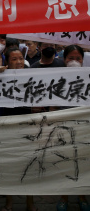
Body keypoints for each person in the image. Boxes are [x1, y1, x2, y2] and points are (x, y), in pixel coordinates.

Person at [0, 47, 37, 211]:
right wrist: (0, 72)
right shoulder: (2, 74)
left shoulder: (32, 75)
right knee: (10, 166)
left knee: (30, 165)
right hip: (8, 126)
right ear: (7, 61)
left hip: (29, 125)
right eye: (14, 59)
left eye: (21, 58)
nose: (19, 62)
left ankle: (30, 202)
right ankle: (9, 202)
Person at [56, 45, 89, 211]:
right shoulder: (55, 78)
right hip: (63, 126)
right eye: (71, 58)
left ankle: (82, 196)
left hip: (84, 128)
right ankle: (64, 197)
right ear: (64, 59)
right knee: (64, 162)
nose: (74, 62)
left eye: (78, 59)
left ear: (83, 60)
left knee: (83, 164)